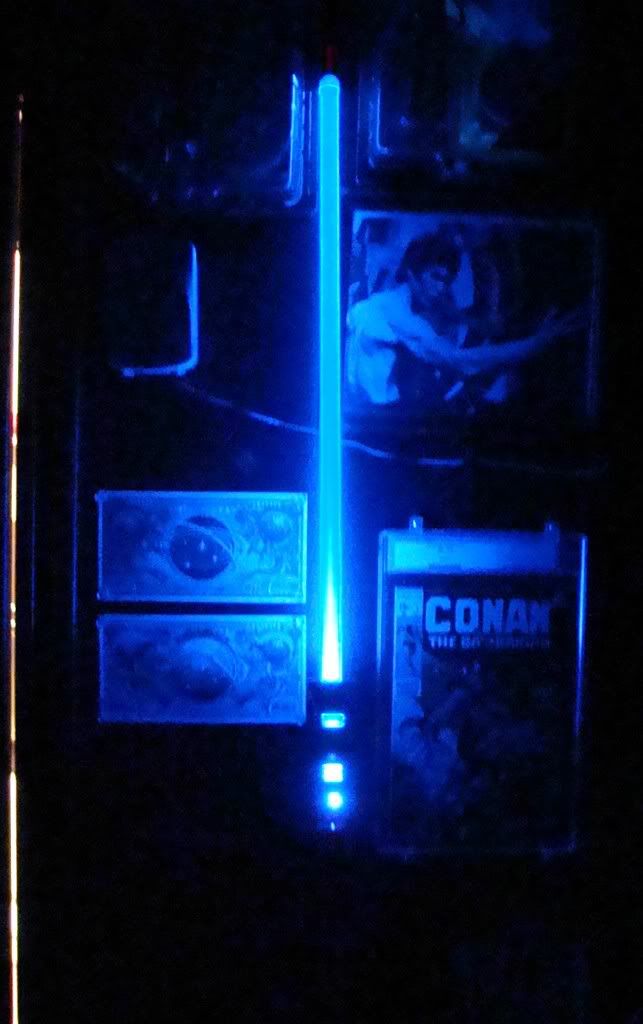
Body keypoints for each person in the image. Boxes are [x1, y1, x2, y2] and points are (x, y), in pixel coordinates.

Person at [345, 231, 582, 411]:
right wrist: (536, 344)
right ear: (412, 272)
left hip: (381, 414)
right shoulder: (393, 309)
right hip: (377, 420)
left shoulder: (403, 309)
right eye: (436, 277)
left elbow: (468, 348)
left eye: (447, 281)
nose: (441, 287)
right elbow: (461, 359)